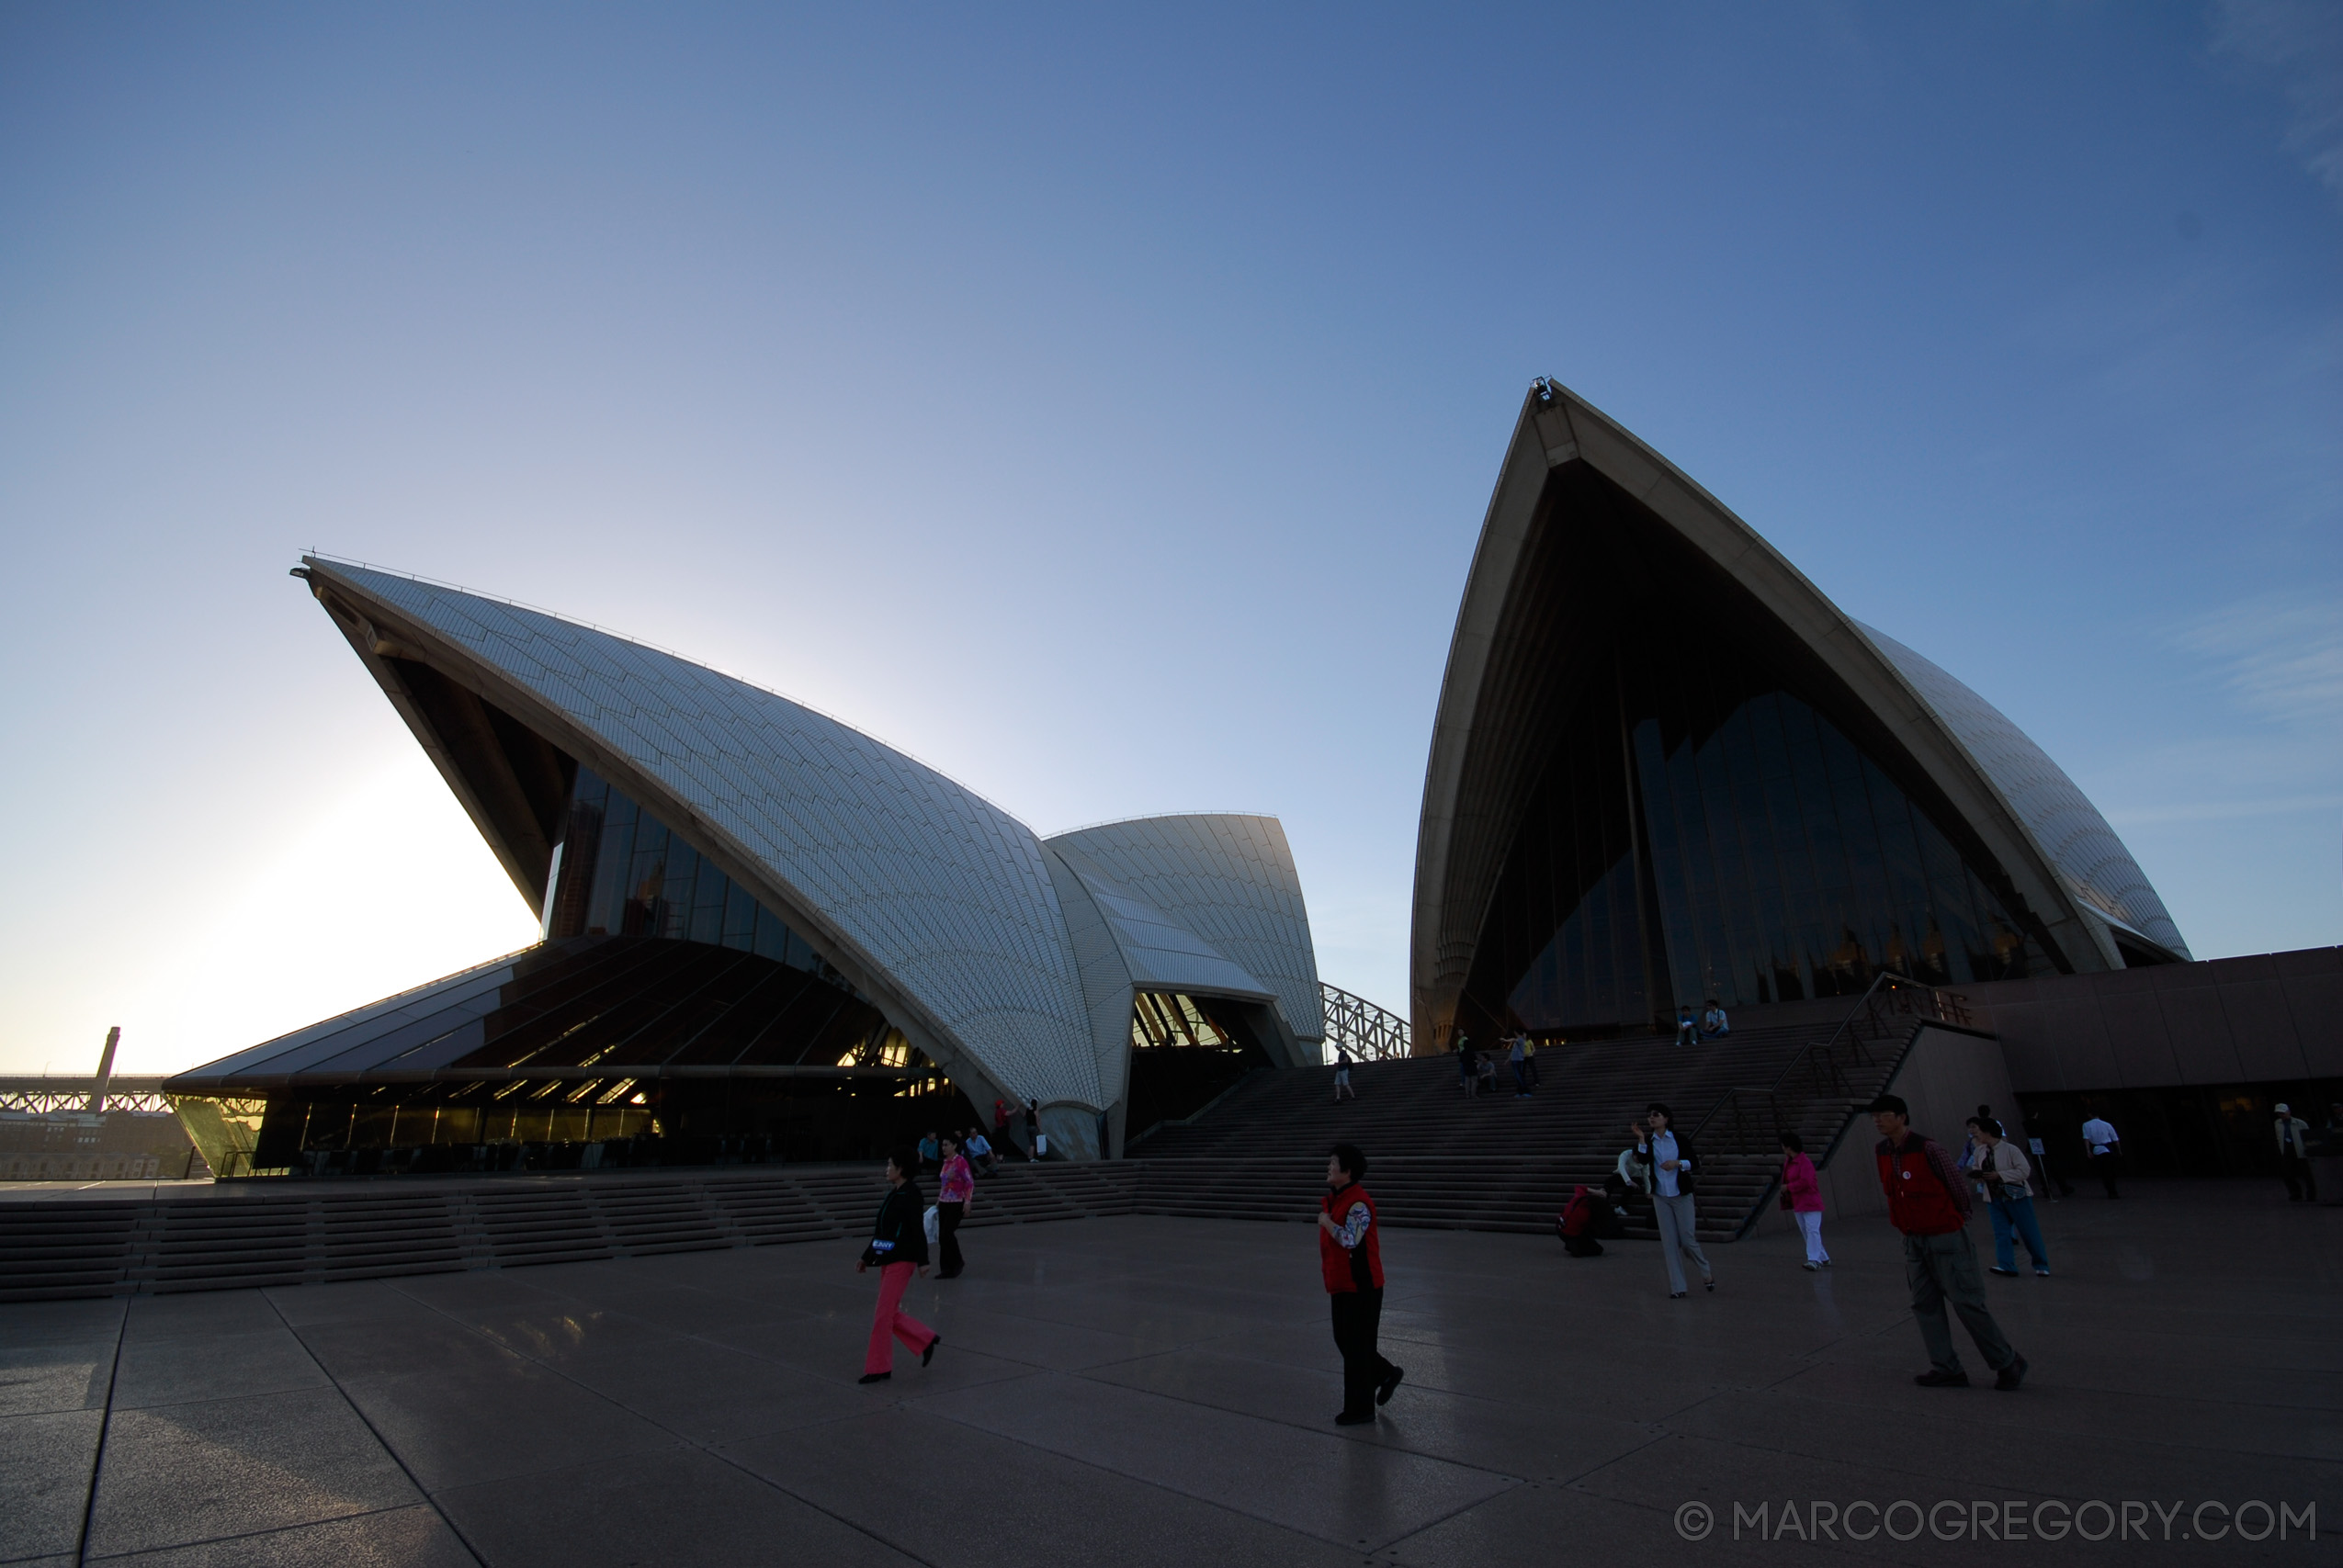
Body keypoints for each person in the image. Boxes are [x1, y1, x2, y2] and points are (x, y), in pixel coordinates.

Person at [1867, 1094, 2027, 1391]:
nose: (1877, 1120)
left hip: (1946, 1236)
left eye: (1883, 1114)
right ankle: (1946, 1367)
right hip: (1913, 1239)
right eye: (1874, 1116)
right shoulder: (1881, 1151)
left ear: (1902, 1117)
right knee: (1924, 1304)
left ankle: (2007, 1361)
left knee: (1966, 1301)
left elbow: (1957, 1187)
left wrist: (1955, 1224)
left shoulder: (1929, 1149)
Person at [1319, 1143, 1402, 1425]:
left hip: (1362, 1286)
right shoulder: (1338, 1199)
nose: (1329, 1167)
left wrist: (1326, 1223)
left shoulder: (1359, 1202)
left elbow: (1349, 1239)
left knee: (1355, 1343)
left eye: (1333, 1162)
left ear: (1348, 1170)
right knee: (1348, 1341)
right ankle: (1384, 1375)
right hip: (1343, 1284)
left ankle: (1361, 1408)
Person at [856, 1150, 938, 1383]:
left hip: (902, 1261)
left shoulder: (911, 1194)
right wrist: (866, 1257)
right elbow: (882, 1230)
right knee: (888, 1313)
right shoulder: (895, 1193)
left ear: (901, 1168)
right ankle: (925, 1339)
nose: (887, 1168)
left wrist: (923, 1261)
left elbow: (917, 1228)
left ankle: (878, 1368)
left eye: (890, 1164)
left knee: (882, 1315)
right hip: (887, 1258)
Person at [1631, 1104, 1715, 1299]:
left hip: (1681, 1194)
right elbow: (1642, 1160)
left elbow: (1694, 1162)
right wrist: (1641, 1138)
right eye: (1649, 1116)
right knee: (1669, 1243)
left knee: (1687, 1240)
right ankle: (1678, 1287)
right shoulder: (1650, 1142)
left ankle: (1705, 1270)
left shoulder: (1678, 1139)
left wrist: (1676, 1164)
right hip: (1661, 1196)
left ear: (1666, 1118)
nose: (1652, 1118)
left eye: (1656, 1115)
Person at [1972, 1118, 2049, 1277]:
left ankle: (2041, 1264)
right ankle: (2006, 1265)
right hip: (1994, 1197)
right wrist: (1978, 1176)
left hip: (2015, 1196)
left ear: (1988, 1132)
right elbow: (1976, 1166)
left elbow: (2023, 1171)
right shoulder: (1980, 1151)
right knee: (2001, 1232)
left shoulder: (2010, 1149)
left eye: (1979, 1131)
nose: (1976, 1134)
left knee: (2028, 1231)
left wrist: (2000, 1175)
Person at [1779, 1131, 1828, 1270]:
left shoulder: (1803, 1162)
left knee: (1811, 1230)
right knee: (1808, 1230)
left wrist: (1788, 1187)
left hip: (1809, 1201)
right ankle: (1822, 1257)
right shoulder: (1791, 1161)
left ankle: (1814, 1259)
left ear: (1789, 1147)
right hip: (1799, 1201)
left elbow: (1806, 1182)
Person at [933, 1134, 973, 1278]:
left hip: (957, 1202)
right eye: (943, 1145)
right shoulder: (945, 1163)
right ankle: (946, 1268)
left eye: (947, 1145)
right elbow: (944, 1185)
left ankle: (957, 1261)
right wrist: (938, 1201)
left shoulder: (960, 1162)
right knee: (942, 1237)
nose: (944, 1148)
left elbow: (969, 1182)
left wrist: (967, 1201)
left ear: (954, 1146)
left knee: (947, 1233)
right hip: (944, 1202)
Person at [2274, 1103, 2316, 1202]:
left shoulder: (2300, 1123)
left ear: (2288, 1112)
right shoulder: (2278, 1123)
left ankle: (2311, 1194)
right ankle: (2295, 1193)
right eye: (2280, 1114)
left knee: (2306, 1174)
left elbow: (2307, 1135)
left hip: (2299, 1148)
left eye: (2283, 1113)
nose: (2282, 1116)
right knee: (2287, 1173)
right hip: (2287, 1149)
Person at [2079, 1111, 2122, 1198]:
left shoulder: (2086, 1125)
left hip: (2097, 1150)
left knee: (2103, 1172)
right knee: (2110, 1171)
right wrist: (2119, 1150)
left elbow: (2086, 1139)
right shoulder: (2107, 1124)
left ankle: (2110, 1190)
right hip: (2108, 1149)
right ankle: (2113, 1190)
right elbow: (2115, 1139)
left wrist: (2088, 1151)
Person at [1508, 1034, 1529, 1098]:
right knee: (1518, 1077)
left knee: (1520, 1076)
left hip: (1521, 1059)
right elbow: (1513, 1052)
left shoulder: (1522, 1041)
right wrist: (1508, 1060)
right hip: (1517, 1059)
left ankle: (1525, 1091)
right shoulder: (1517, 1043)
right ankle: (1520, 1091)